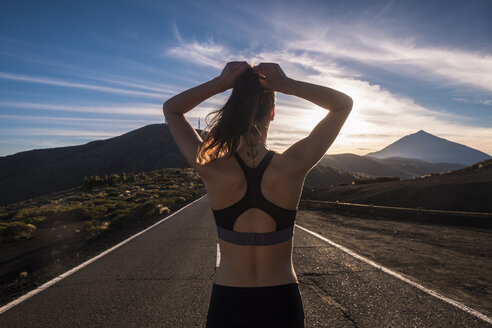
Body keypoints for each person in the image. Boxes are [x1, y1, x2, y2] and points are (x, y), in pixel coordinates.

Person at [163, 61, 353, 328]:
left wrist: (220, 83)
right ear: (273, 112)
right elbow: (343, 104)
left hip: (229, 303)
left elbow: (172, 109)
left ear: (234, 112)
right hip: (281, 302)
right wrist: (286, 85)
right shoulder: (292, 166)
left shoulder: (213, 169)